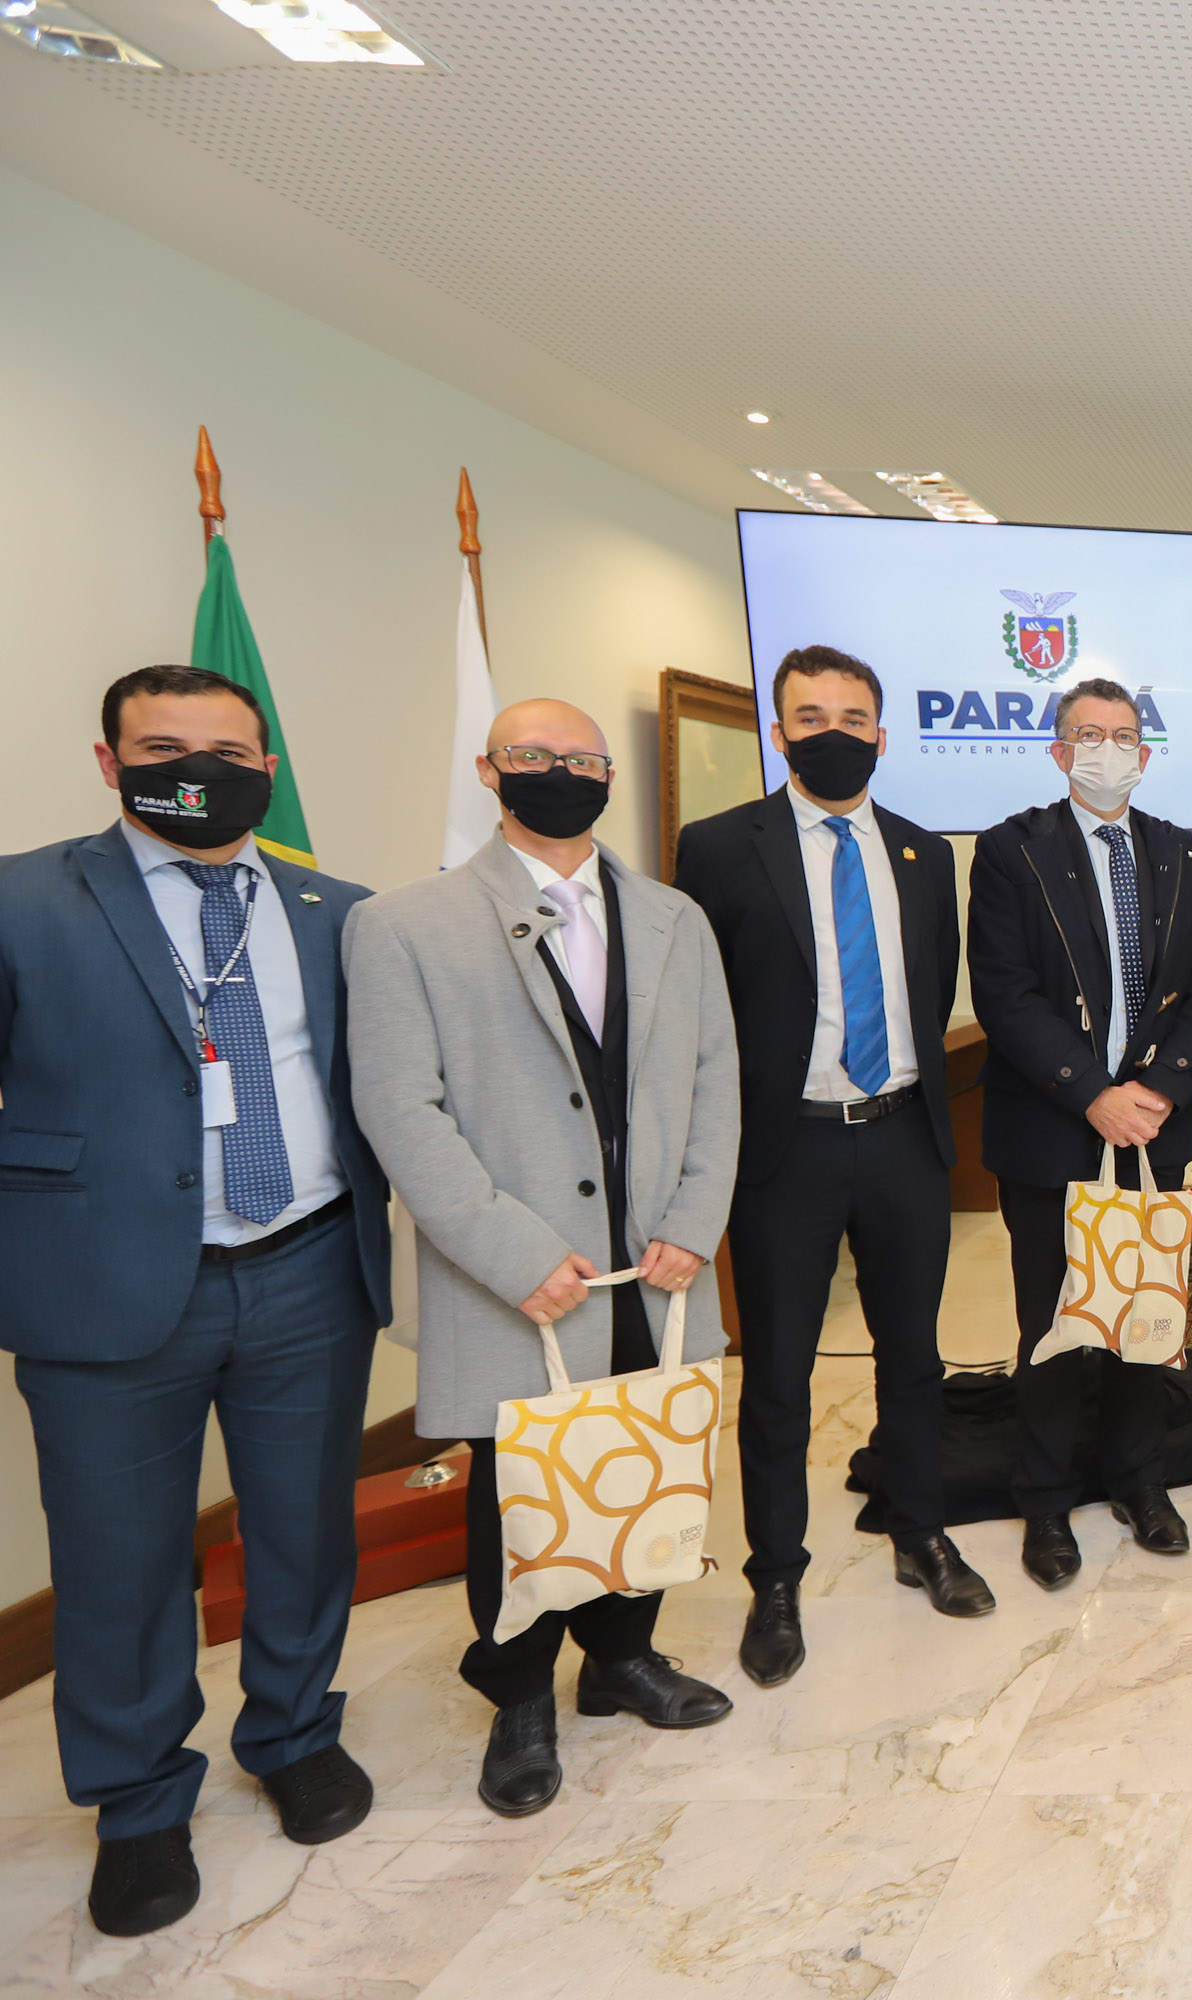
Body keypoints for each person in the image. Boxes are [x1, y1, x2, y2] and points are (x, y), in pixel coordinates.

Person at [0, 667, 396, 1937]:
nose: (198, 768)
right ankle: (137, 1802)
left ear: (268, 766)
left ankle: (292, 1732)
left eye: (228, 748)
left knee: (302, 1527)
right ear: (110, 763)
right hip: (109, 1285)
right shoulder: (22, 900)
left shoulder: (340, 909)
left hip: (307, 1267)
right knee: (118, 1562)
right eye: (164, 746)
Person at [346, 698, 740, 1819]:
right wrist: (514, 1250)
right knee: (521, 1485)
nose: (559, 771)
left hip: (656, 1260)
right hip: (518, 1270)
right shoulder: (405, 925)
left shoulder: (673, 919)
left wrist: (693, 1219)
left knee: (642, 1455)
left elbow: (716, 1079)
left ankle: (624, 1656)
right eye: (534, 755)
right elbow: (400, 1108)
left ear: (608, 774)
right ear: (489, 768)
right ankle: (518, 1691)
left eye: (580, 758)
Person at [675, 646, 988, 1690]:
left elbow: (932, 983)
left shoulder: (919, 851)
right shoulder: (720, 848)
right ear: (780, 730)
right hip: (786, 1147)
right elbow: (702, 1009)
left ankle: (922, 1532)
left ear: (884, 732)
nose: (834, 731)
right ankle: (776, 1577)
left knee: (913, 1360)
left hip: (903, 1136)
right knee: (777, 1380)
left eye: (853, 715)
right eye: (810, 716)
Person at [967, 677, 1192, 1589]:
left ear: (1145, 755)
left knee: (1145, 1318)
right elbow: (1005, 992)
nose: (1106, 749)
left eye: (1123, 736)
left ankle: (1136, 1476)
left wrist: (1158, 1090)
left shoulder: (1184, 858)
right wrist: (1092, 1094)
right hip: (1053, 1130)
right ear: (1056, 750)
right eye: (1088, 733)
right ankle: (1044, 1498)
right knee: (1050, 1322)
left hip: (1155, 1132)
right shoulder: (1012, 853)